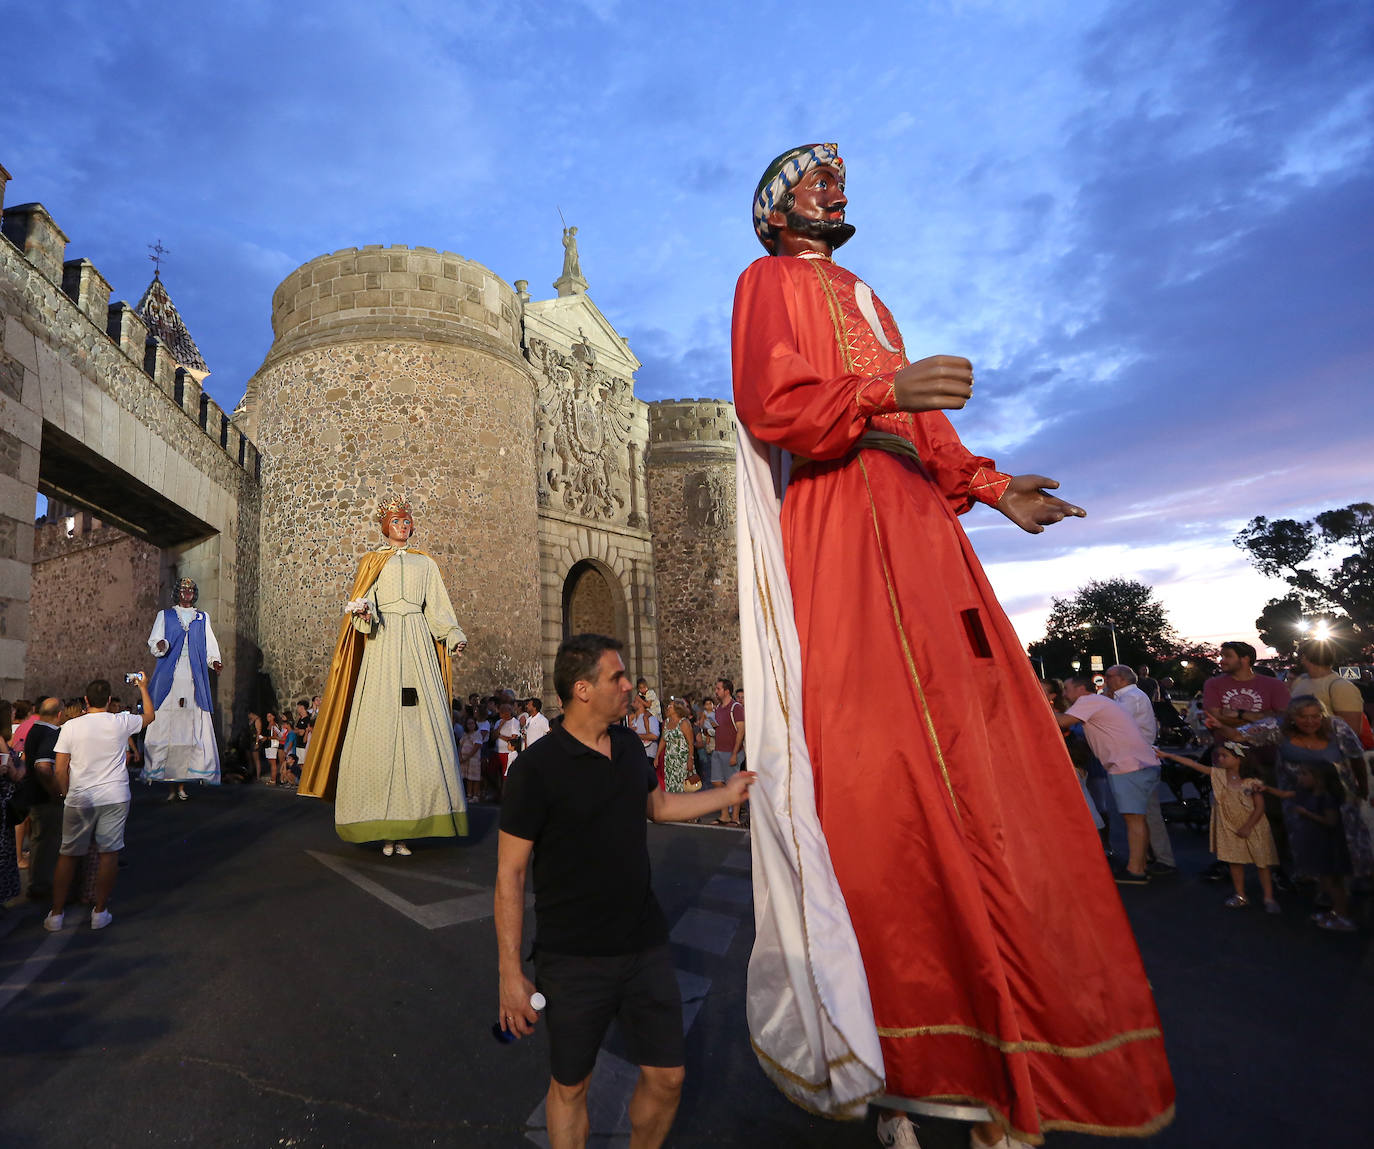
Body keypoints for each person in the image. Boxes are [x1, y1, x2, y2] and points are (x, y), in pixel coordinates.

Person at [732, 142, 1172, 1141]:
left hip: (917, 518)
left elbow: (929, 432)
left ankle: (1005, 1060)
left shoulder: (872, 298)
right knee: (876, 765)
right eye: (814, 182)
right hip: (844, 514)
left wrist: (992, 487)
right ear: (773, 211)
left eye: (841, 179)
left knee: (982, 750)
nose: (837, 191)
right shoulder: (766, 282)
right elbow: (777, 406)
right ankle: (897, 1058)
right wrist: (886, 396)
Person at [495, 634, 754, 1149]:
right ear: (584, 689)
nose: (629, 685)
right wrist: (509, 973)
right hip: (572, 957)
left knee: (668, 1077)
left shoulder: (632, 746)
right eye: (618, 677)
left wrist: (724, 793)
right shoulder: (536, 770)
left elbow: (655, 806)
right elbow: (510, 874)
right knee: (571, 1088)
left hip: (644, 944)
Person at [299, 497, 468, 857]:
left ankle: (409, 827)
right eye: (396, 521)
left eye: (406, 520)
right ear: (385, 527)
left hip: (419, 644)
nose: (402, 526)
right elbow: (366, 602)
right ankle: (382, 827)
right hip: (383, 645)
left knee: (421, 729)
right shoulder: (372, 562)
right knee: (380, 731)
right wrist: (364, 611)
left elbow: (438, 607)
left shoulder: (426, 565)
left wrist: (452, 635)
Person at [1210, 698, 1372, 879]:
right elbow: (1237, 736)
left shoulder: (1337, 727)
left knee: (1347, 840)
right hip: (1298, 795)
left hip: (1337, 794)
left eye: (1315, 716)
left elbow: (1356, 757)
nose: (1310, 722)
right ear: (1292, 717)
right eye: (1303, 717)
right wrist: (1218, 725)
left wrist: (1362, 786)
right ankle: (1320, 884)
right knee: (1309, 841)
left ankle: (1357, 881)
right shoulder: (1278, 726)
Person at [44, 674, 154, 932]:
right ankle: (100, 911)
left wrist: (64, 793)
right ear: (108, 700)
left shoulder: (70, 727)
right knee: (109, 854)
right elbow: (149, 716)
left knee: (68, 854)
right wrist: (143, 687)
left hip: (80, 797)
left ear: (85, 700)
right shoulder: (120, 722)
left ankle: (56, 914)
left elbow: (61, 768)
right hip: (114, 796)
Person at [1058, 678, 1162, 883]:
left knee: (1133, 820)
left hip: (1128, 766)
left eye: (1067, 689)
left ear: (1081, 689)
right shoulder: (1102, 702)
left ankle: (1135, 871)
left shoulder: (1087, 701)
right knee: (1139, 819)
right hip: (1142, 763)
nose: (1064, 694)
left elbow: (1062, 722)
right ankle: (1141, 863)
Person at [1157, 743, 1279, 911]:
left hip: (1253, 825)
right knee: (1234, 860)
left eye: (1224, 756)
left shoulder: (1251, 782)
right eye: (1218, 756)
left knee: (1262, 862)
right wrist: (1170, 756)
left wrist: (1248, 826)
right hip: (1229, 825)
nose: (1220, 759)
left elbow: (1259, 807)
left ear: (1239, 759)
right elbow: (1194, 765)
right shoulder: (1218, 775)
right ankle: (1240, 894)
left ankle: (1268, 897)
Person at [144, 577, 222, 799]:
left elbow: (210, 644)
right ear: (178, 592)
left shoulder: (202, 617)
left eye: (191, 590)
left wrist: (214, 661)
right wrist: (161, 644)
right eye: (183, 589)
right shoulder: (165, 615)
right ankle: (170, 784)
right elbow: (155, 640)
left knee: (191, 725)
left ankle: (182, 784)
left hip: (194, 676)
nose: (187, 592)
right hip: (171, 674)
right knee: (167, 724)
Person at [1265, 761, 1355, 931]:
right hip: (1319, 844)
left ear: (1319, 779)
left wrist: (1307, 814)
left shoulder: (1326, 798)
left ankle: (1343, 916)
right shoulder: (1307, 793)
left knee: (1334, 882)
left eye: (1304, 774)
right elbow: (1285, 794)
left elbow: (1331, 822)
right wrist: (1267, 789)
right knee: (1325, 879)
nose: (1300, 778)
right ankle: (1335, 911)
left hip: (1330, 845)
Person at [1104, 664, 1176, 876]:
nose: (1105, 680)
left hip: (1136, 761)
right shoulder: (1129, 696)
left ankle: (1154, 859)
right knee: (1143, 814)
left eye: (1109, 676)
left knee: (1140, 814)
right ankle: (1154, 857)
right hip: (1141, 759)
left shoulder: (1130, 697)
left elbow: (1113, 720)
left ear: (1122, 679)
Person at [19, 697, 65, 902]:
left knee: (39, 841)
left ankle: (36, 883)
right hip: (45, 797)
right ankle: (41, 885)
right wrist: (55, 792)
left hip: (33, 794)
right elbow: (43, 766)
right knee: (48, 842)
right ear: (59, 714)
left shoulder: (34, 729)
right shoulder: (51, 733)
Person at [1288, 640, 1366, 735]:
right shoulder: (1300, 681)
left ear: (1304, 657)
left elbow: (1351, 731)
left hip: (1328, 747)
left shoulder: (1341, 687)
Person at [710, 678, 744, 827]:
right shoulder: (717, 708)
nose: (716, 691)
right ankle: (724, 815)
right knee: (717, 782)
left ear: (726, 691)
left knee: (732, 784)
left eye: (718, 689)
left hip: (731, 751)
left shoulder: (735, 707)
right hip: (718, 749)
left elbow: (741, 731)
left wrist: (735, 753)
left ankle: (735, 817)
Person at [659, 697, 694, 795]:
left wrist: (690, 759)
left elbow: (691, 743)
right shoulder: (666, 722)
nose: (668, 707)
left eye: (670, 706)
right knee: (671, 788)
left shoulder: (684, 723)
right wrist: (657, 756)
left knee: (684, 789)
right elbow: (663, 739)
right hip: (670, 761)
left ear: (677, 709)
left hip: (682, 761)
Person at [458, 718, 483, 804]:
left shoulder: (477, 734)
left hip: (473, 759)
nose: (470, 725)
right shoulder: (465, 734)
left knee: (474, 778)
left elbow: (476, 747)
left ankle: (475, 795)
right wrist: (460, 756)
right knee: (468, 778)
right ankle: (469, 795)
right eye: (468, 723)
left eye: (472, 723)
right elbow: (460, 746)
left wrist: (468, 757)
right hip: (464, 760)